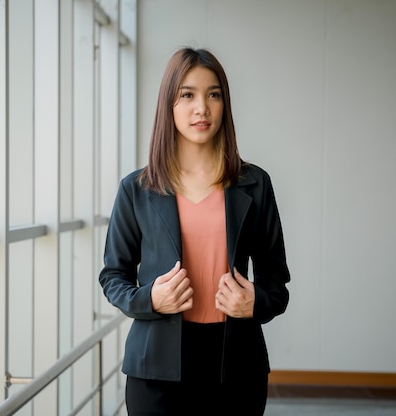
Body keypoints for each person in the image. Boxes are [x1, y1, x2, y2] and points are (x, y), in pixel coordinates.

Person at [99, 47, 290, 416]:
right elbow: (113, 277)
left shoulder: (254, 184)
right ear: (169, 105)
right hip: (156, 369)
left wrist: (255, 304)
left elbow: (276, 286)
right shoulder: (136, 189)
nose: (201, 107)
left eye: (213, 94)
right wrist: (150, 299)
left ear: (224, 104)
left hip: (237, 368)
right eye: (187, 95)